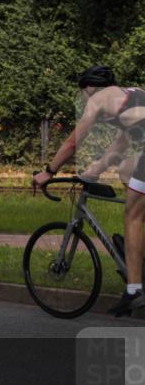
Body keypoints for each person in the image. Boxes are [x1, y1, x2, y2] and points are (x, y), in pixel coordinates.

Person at [33, 65, 145, 316]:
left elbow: (73, 142)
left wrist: (48, 172)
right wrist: (94, 170)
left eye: (83, 94)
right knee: (126, 172)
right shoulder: (131, 95)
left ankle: (134, 289)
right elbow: (120, 146)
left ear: (90, 88)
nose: (84, 100)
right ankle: (137, 257)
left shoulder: (98, 100)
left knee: (133, 216)